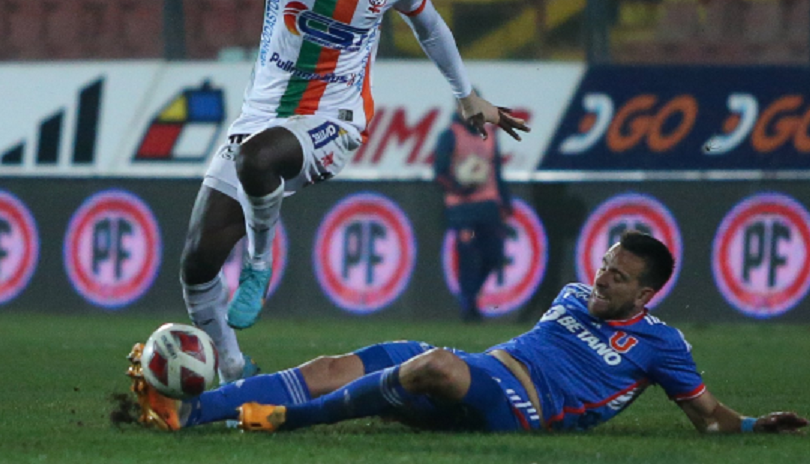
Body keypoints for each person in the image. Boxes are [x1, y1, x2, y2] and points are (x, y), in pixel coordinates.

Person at [85, 0, 529, 383]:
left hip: (335, 118)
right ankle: (232, 369)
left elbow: (429, 27)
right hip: (261, 113)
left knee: (258, 159)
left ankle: (259, 262)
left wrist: (466, 94)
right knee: (197, 263)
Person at [124, 231, 807, 435]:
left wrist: (748, 428)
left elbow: (705, 416)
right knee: (345, 358)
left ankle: (281, 420)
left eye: (618, 278)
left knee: (435, 368)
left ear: (646, 293)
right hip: (485, 367)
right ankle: (187, 409)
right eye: (602, 265)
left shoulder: (662, 345)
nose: (600, 281)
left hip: (520, 408)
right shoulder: (572, 294)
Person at [433, 100, 512, 322]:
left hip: (488, 203)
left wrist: (505, 202)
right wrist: (459, 188)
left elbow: (497, 170)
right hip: (462, 207)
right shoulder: (450, 135)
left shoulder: (490, 135)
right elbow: (439, 171)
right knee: (467, 255)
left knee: (494, 255)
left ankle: (471, 295)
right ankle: (469, 305)